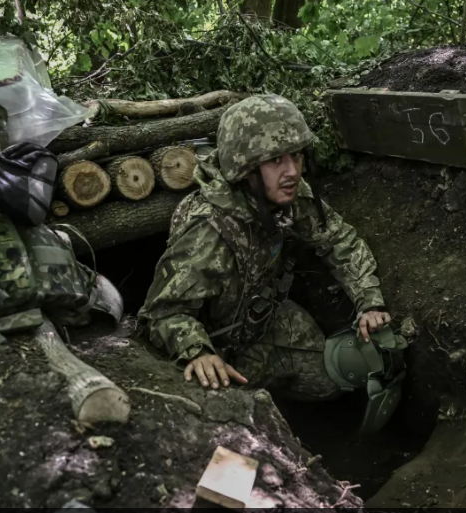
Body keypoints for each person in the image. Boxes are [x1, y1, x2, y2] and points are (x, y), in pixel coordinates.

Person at [136, 94, 407, 432]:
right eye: (276, 160)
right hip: (217, 348)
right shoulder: (207, 230)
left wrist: (369, 301)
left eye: (295, 156)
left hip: (264, 321)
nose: (292, 171)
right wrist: (197, 351)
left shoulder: (285, 196)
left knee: (336, 379)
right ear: (245, 169)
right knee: (226, 419)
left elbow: (339, 240)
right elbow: (162, 311)